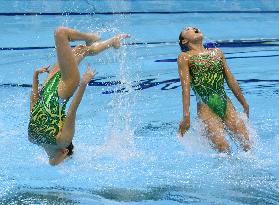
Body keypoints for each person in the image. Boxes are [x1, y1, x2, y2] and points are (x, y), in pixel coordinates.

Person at [28, 27, 129, 165]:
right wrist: (83, 83)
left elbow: (34, 105)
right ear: (65, 152)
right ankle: (91, 37)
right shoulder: (63, 141)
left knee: (80, 49)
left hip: (47, 86)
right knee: (61, 33)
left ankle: (112, 42)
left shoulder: (34, 138)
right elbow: (71, 112)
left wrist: (35, 75)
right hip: (64, 89)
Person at [177, 27, 250, 153]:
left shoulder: (217, 52)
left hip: (226, 105)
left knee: (247, 143)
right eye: (187, 29)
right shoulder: (184, 57)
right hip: (206, 109)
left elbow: (231, 79)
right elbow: (186, 88)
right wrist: (186, 115)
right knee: (223, 148)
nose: (194, 28)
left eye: (194, 27)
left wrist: (244, 103)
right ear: (184, 41)